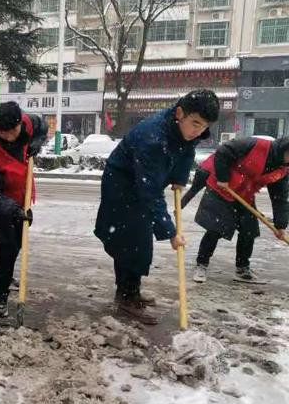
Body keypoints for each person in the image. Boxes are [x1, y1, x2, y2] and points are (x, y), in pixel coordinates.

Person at [95, 89, 220, 325]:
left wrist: (180, 178)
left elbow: (186, 150)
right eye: (195, 124)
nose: (198, 131)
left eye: (203, 127)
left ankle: (132, 290)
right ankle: (125, 299)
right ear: (180, 113)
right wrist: (170, 231)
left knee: (139, 240)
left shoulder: (184, 129)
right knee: (130, 239)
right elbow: (150, 192)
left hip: (141, 182)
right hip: (122, 184)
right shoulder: (152, 138)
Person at [182, 136, 289, 284]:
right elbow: (223, 151)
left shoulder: (282, 171)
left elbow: (280, 198)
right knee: (216, 228)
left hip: (245, 195)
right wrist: (223, 177)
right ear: (284, 148)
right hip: (221, 188)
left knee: (249, 230)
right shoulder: (255, 145)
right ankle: (202, 264)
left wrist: (281, 225)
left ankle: (242, 269)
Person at [0, 102, 47, 317]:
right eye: (3, 133)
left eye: (13, 131)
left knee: (18, 242)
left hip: (22, 196)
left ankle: (7, 275)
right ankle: (0, 294)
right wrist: (13, 209)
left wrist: (36, 141)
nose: (9, 137)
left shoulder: (27, 122)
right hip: (0, 204)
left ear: (20, 123)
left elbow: (41, 126)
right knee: (8, 245)